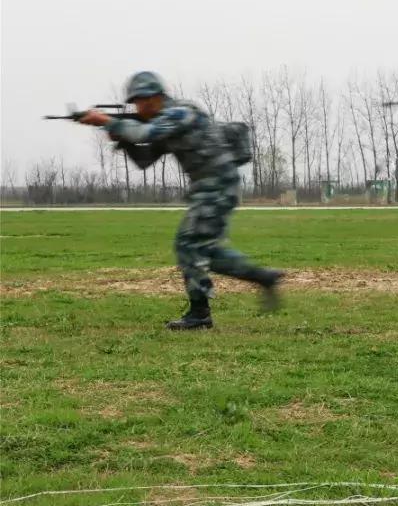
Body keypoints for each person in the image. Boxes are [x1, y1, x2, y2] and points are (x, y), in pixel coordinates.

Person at [78, 71, 282, 329]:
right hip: (211, 187)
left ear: (154, 97)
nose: (137, 107)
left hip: (217, 185)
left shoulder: (180, 113)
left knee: (187, 244)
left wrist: (107, 121)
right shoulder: (165, 123)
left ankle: (200, 314)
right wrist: (122, 140)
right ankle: (262, 278)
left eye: (139, 101)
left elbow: (144, 134)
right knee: (204, 249)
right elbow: (144, 160)